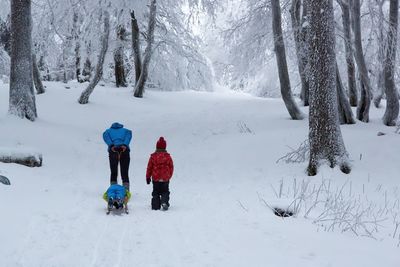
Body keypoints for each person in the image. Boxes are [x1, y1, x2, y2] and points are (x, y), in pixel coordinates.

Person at [146, 137, 174, 210]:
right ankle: (164, 201)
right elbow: (171, 167)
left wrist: (148, 177)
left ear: (157, 146)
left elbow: (149, 167)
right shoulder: (168, 157)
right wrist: (169, 176)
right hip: (165, 178)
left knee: (156, 192)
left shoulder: (153, 156)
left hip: (156, 178)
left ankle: (155, 206)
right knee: (165, 191)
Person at [103, 122, 132, 191]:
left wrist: (111, 145)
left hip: (113, 150)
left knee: (113, 171)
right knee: (124, 171)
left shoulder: (108, 131)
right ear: (120, 126)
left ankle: (113, 188)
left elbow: (105, 136)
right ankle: (126, 190)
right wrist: (125, 144)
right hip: (124, 150)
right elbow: (129, 134)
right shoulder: (126, 131)